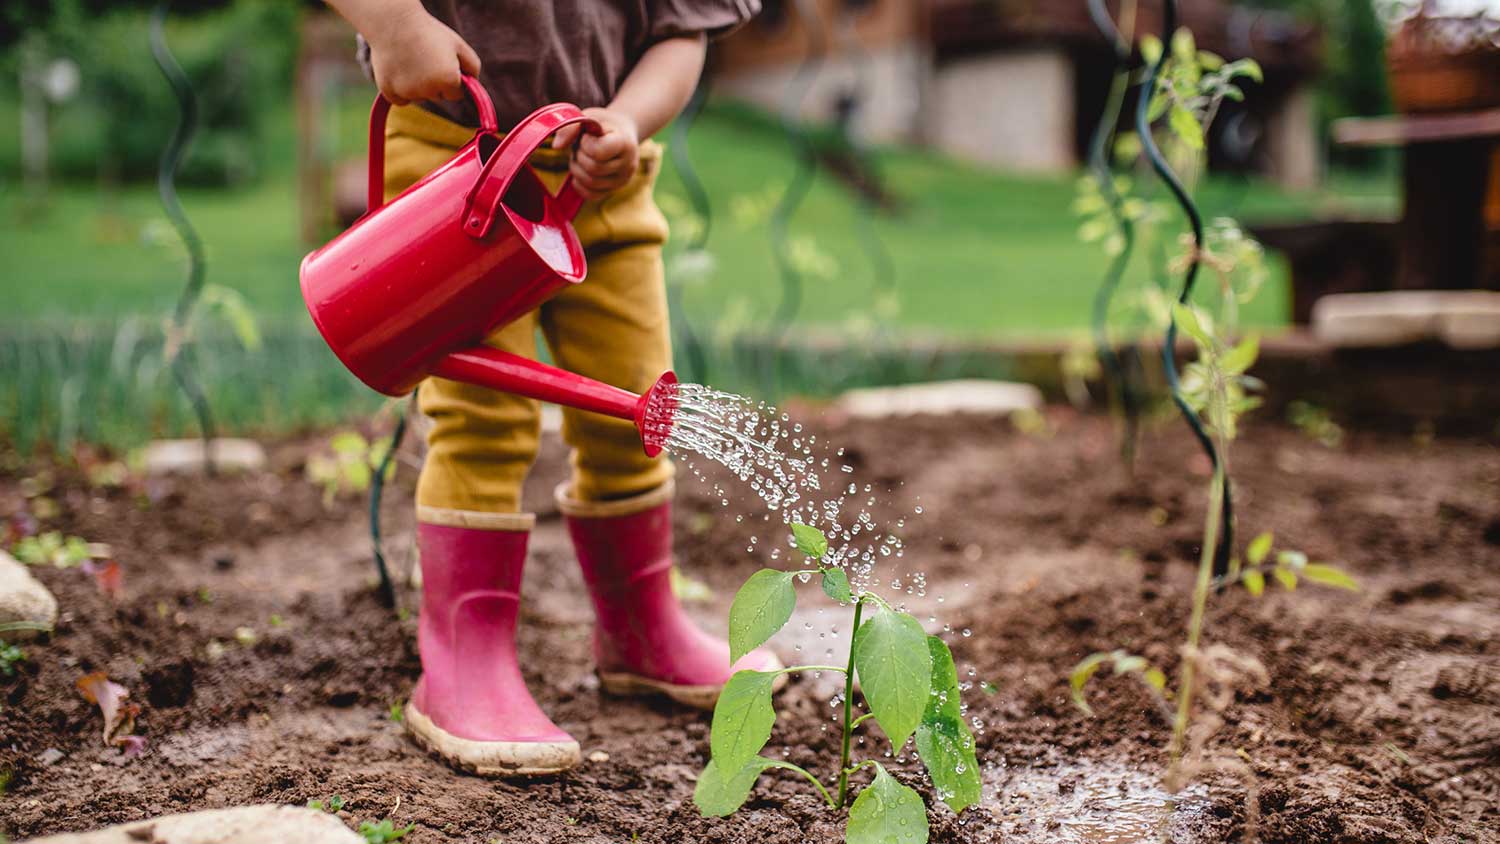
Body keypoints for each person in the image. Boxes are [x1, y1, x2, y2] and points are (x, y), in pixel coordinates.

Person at [324, 0, 781, 776]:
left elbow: (683, 31)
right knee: (484, 418)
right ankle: (463, 661)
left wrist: (629, 122)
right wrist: (394, 22)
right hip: (453, 164)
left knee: (638, 405)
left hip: (604, 178)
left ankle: (642, 629)